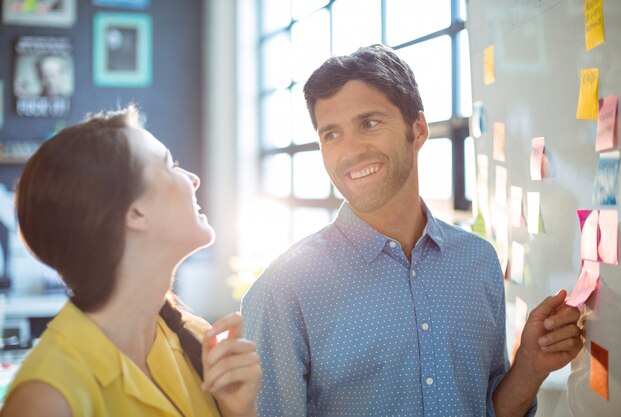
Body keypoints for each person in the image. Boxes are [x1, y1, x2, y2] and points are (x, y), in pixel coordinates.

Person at [241, 45, 583, 416]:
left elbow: (487, 410)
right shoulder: (283, 289)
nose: (350, 151)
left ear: (418, 130)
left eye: (369, 123)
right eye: (332, 135)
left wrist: (530, 366)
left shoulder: (478, 262)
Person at [1, 105, 261, 417]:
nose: (192, 179)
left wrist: (238, 410)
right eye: (170, 165)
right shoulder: (46, 399)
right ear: (135, 212)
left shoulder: (196, 337)